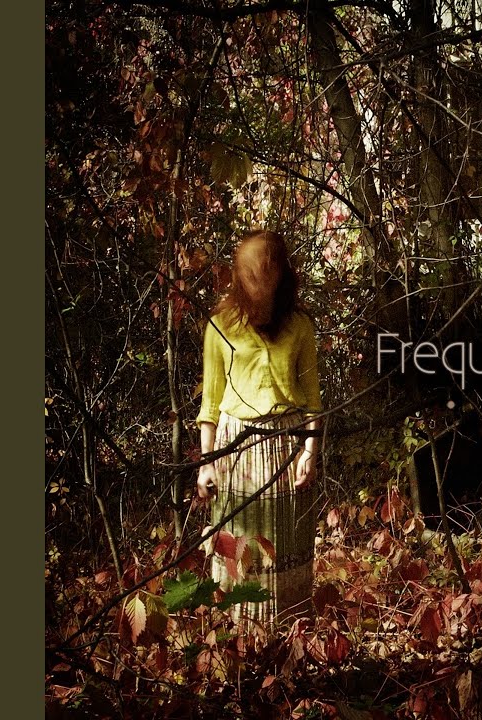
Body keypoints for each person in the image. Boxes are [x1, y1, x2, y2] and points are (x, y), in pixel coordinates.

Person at [195, 230, 323, 626]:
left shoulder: (299, 325)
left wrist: (310, 451)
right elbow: (210, 404)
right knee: (239, 546)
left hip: (286, 449)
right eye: (251, 272)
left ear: (281, 274)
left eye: (266, 270)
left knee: (287, 545)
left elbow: (312, 399)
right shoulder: (220, 326)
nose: (258, 280)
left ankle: (290, 638)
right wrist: (207, 463)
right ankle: (238, 638)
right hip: (237, 450)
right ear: (239, 275)